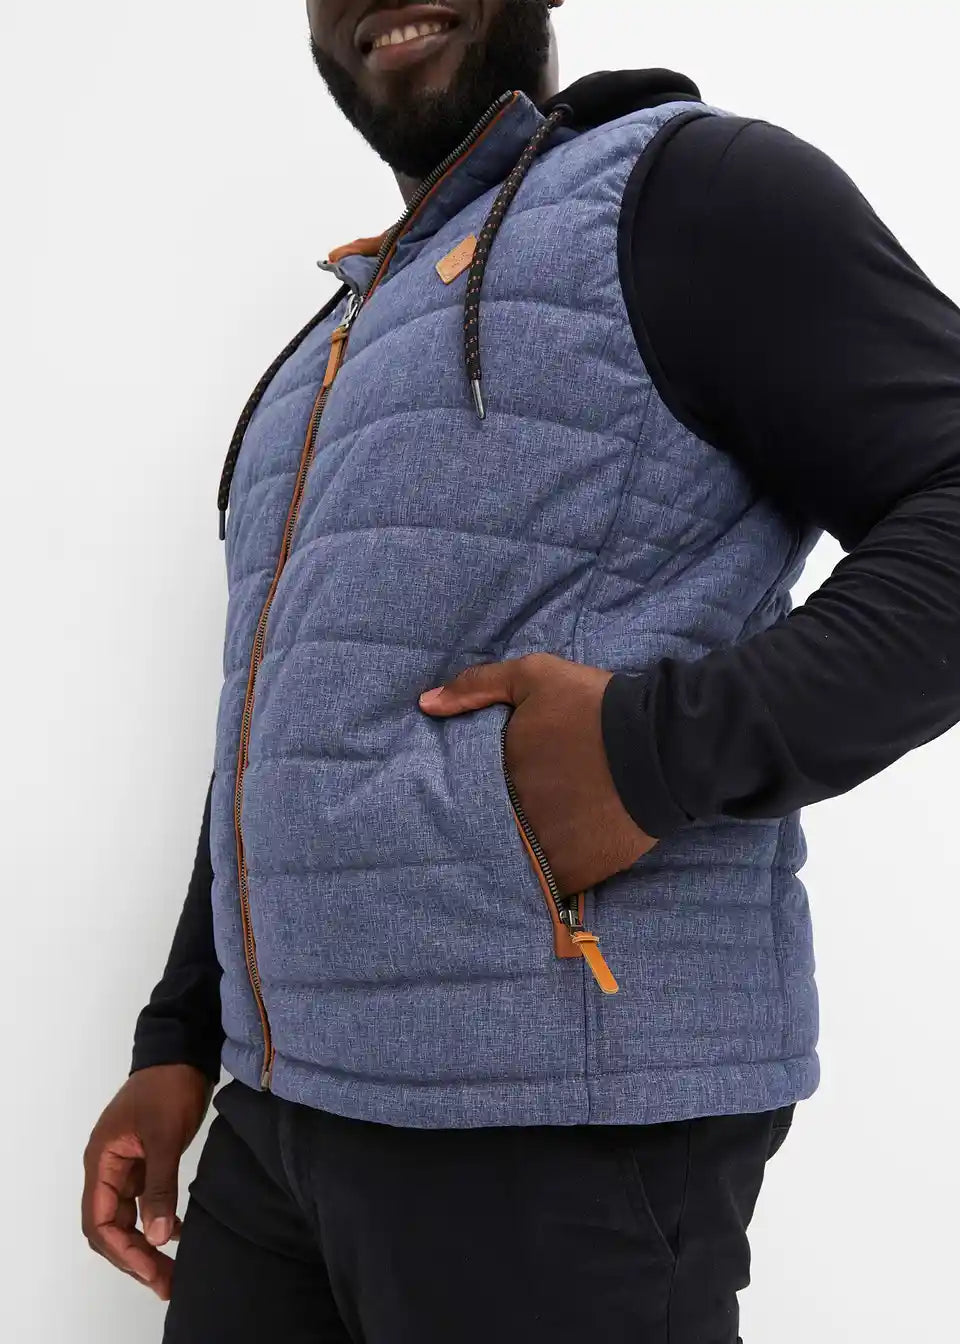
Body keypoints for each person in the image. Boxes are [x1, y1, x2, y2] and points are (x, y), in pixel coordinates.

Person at [81, 2, 960, 1340]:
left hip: (562, 1137)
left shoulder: (694, 194)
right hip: (275, 1129)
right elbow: (275, 722)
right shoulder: (327, 345)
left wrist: (651, 754)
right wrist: (182, 1036)